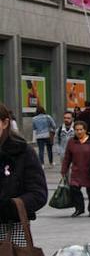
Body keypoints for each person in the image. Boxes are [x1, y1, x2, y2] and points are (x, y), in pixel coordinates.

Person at [0, 104, 48, 243]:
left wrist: (7, 207)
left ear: (5, 123)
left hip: (11, 231)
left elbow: (38, 194)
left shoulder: (22, 152)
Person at [61, 121, 90, 217]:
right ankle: (79, 208)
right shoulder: (71, 142)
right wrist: (64, 170)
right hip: (76, 171)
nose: (79, 132)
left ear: (85, 130)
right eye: (77, 130)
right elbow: (67, 157)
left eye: (81, 129)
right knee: (74, 189)